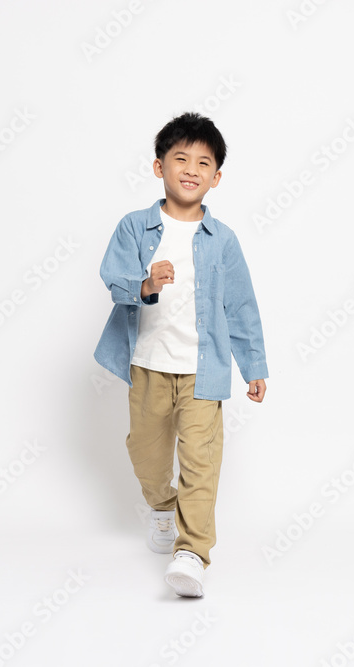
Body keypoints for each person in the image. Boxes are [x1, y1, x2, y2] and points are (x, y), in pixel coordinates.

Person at [93, 112, 269, 597]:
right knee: (146, 455)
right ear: (159, 167)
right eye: (181, 159)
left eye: (203, 163)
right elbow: (113, 279)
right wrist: (146, 284)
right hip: (148, 365)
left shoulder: (223, 240)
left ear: (216, 177)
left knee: (200, 462)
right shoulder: (135, 227)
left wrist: (253, 366)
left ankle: (191, 553)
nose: (191, 169)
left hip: (202, 372)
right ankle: (161, 506)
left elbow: (241, 306)